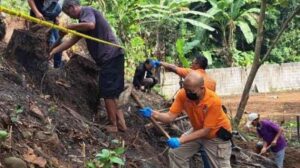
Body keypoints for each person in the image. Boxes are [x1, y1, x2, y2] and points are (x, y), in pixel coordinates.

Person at [49, 0, 127, 132]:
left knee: (107, 92)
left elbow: (90, 25)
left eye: (69, 13)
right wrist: (53, 51)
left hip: (110, 56)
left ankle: (113, 125)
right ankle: (121, 124)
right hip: (113, 56)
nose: (70, 17)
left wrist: (68, 27)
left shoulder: (87, 11)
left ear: (72, 7)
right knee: (112, 92)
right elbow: (71, 41)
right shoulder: (82, 23)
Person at [139, 72, 232, 168]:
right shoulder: (183, 94)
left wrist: (180, 140)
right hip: (198, 130)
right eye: (186, 90)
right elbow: (170, 116)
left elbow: (206, 130)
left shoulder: (213, 101)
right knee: (176, 153)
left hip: (215, 135)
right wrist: (153, 114)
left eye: (191, 91)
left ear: (202, 88)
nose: (188, 94)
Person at [28, 0, 63, 68]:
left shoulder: (59, 2)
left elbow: (57, 9)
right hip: (38, 18)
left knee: (59, 42)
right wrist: (36, 12)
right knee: (49, 41)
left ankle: (57, 66)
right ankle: (40, 62)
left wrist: (57, 18)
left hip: (51, 21)